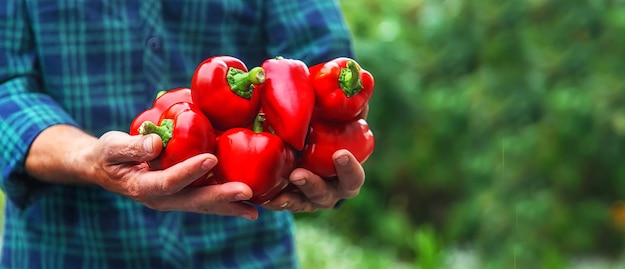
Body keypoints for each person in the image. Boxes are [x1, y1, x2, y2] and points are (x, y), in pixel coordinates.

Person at [0, 1, 367, 268]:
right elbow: (6, 87)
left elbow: (321, 71)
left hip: (244, 248)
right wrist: (86, 158)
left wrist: (325, 158)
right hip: (69, 250)